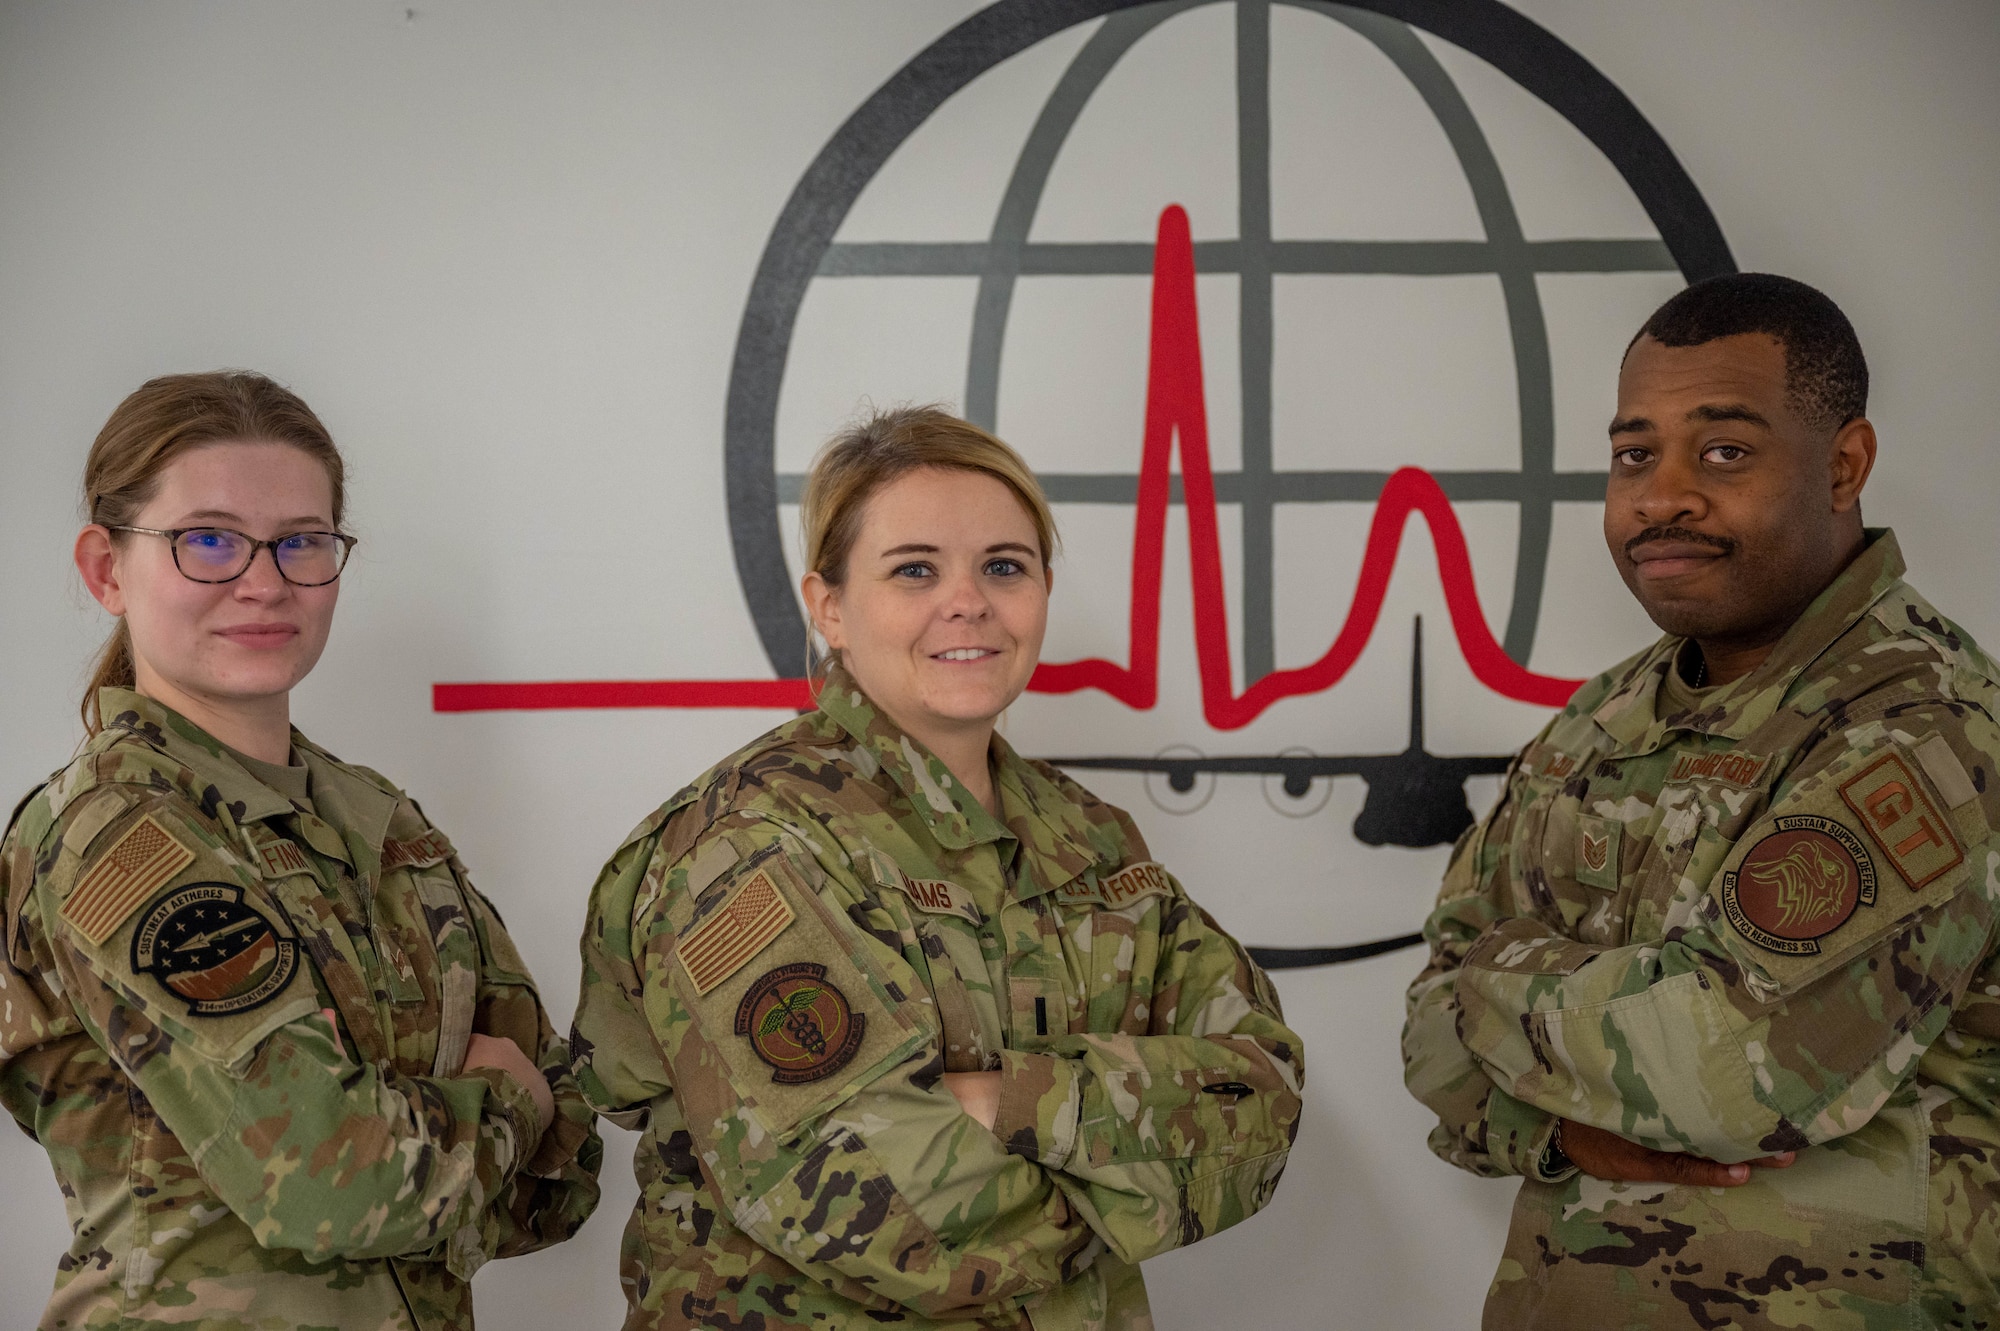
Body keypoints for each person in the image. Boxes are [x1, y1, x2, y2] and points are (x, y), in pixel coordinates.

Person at [571, 406, 1303, 1330]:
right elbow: (873, 1208)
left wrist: (1011, 1100)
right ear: (829, 605)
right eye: (915, 569)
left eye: (1004, 565)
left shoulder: (1089, 836)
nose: (969, 602)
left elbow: (1265, 1089)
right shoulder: (747, 843)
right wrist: (1142, 1185)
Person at [1402, 273, 2000, 1327]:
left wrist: (1493, 973)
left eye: (1722, 450)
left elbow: (1721, 1074)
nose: (1660, 493)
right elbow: (1425, 1035)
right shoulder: (1602, 719)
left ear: (1843, 464)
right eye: (1634, 453)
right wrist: (1551, 1125)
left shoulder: (1921, 730)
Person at [0, 372, 602, 1330]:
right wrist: (501, 1102)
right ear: (106, 570)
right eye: (207, 540)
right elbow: (333, 1181)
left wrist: (445, 1140)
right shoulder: (121, 839)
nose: (264, 580)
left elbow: (565, 1178)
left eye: (301, 542)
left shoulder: (381, 825)